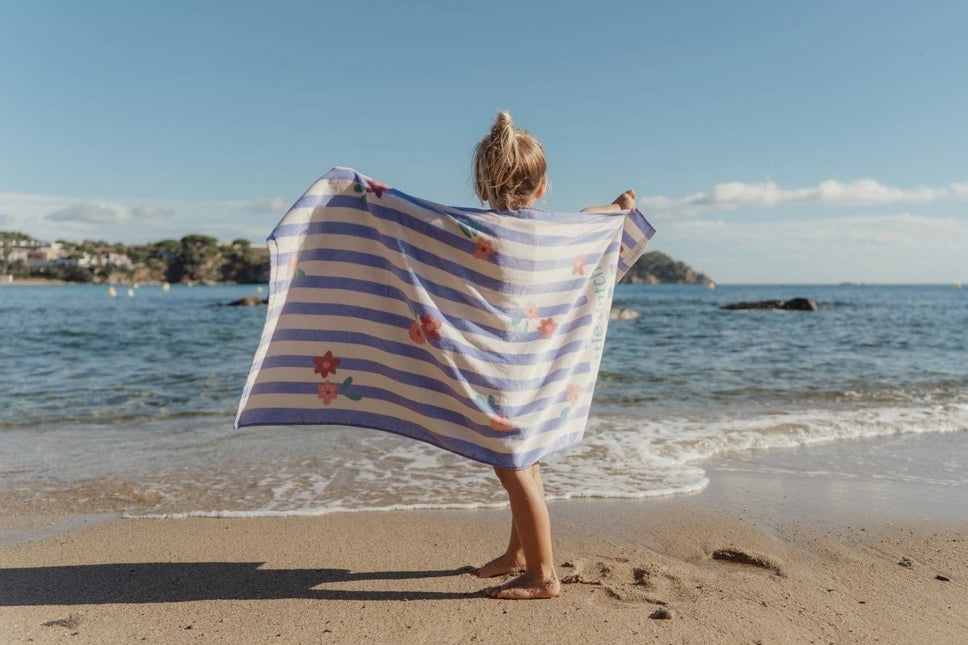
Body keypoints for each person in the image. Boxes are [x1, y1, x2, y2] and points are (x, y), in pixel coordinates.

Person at [469, 111, 636, 600]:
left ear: (481, 188)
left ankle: (544, 576)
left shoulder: (476, 232)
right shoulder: (558, 233)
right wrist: (619, 204)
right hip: (539, 374)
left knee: (513, 467)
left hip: (503, 375)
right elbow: (592, 218)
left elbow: (418, 238)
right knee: (529, 461)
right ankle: (518, 554)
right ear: (542, 188)